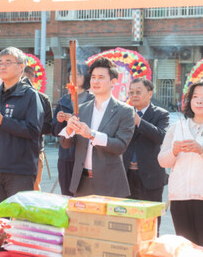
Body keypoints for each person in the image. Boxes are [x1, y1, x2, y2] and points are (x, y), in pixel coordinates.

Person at [158, 80, 203, 256]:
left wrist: (202, 150)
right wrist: (174, 151)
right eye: (195, 97)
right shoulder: (177, 127)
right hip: (180, 197)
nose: (199, 101)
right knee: (185, 250)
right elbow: (162, 161)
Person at [59, 57, 135, 197]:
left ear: (113, 81)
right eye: (93, 77)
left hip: (109, 183)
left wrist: (92, 135)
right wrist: (69, 130)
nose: (95, 81)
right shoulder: (81, 109)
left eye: (101, 77)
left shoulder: (125, 111)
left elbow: (120, 146)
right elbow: (65, 144)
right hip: (81, 182)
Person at [0, 47, 43, 203]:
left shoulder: (30, 95)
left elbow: (34, 130)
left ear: (21, 67)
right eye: (0, 62)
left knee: (17, 219)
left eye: (8, 62)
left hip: (18, 170)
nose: (2, 66)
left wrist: (3, 121)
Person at [122, 77, 169, 233]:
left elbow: (161, 136)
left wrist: (139, 122)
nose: (134, 95)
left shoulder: (161, 114)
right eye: (131, 92)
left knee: (151, 222)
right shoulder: (124, 112)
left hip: (150, 177)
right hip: (126, 175)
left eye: (138, 92)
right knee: (127, 220)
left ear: (150, 93)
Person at [52, 62, 93, 196]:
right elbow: (54, 131)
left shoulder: (92, 99)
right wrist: (59, 120)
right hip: (66, 154)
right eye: (71, 74)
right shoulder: (64, 100)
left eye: (78, 74)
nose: (73, 77)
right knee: (66, 194)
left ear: (86, 77)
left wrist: (75, 119)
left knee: (84, 196)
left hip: (86, 154)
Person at [22, 65, 52, 191]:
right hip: (12, 151)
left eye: (26, 78)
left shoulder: (42, 98)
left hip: (34, 149)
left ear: (33, 79)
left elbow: (49, 126)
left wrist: (30, 126)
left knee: (33, 187)